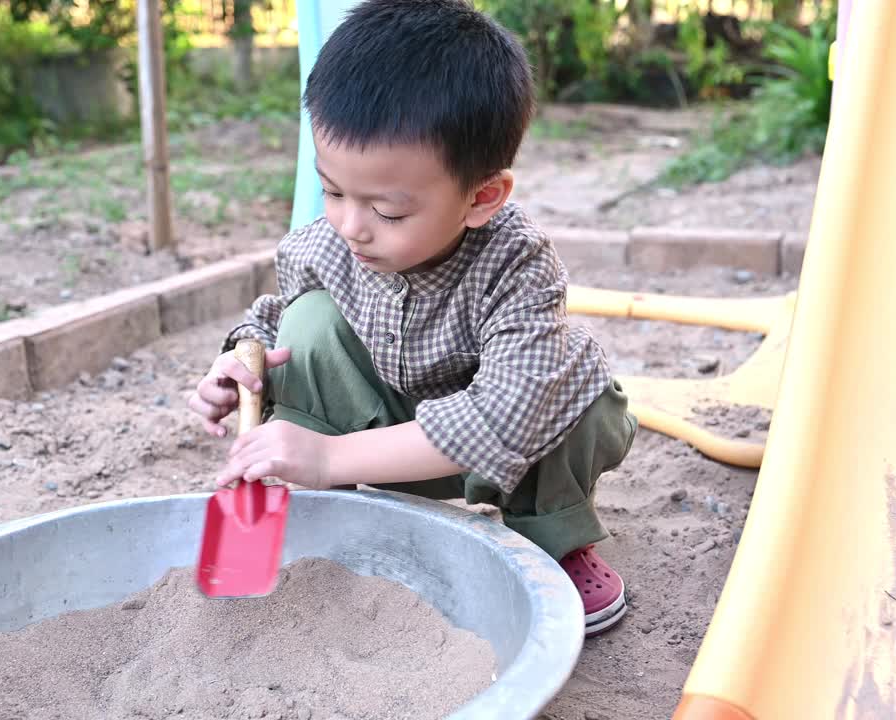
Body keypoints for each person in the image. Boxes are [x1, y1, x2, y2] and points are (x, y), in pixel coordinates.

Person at [187, 0, 638, 636]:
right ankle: (321, 518)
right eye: (333, 190)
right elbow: (271, 318)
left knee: (572, 388)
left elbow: (502, 417)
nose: (350, 225)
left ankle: (555, 539)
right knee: (306, 324)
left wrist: (326, 458)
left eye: (388, 211)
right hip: (380, 438)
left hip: (501, 451)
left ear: (482, 196)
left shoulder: (518, 265)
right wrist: (239, 364)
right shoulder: (328, 242)